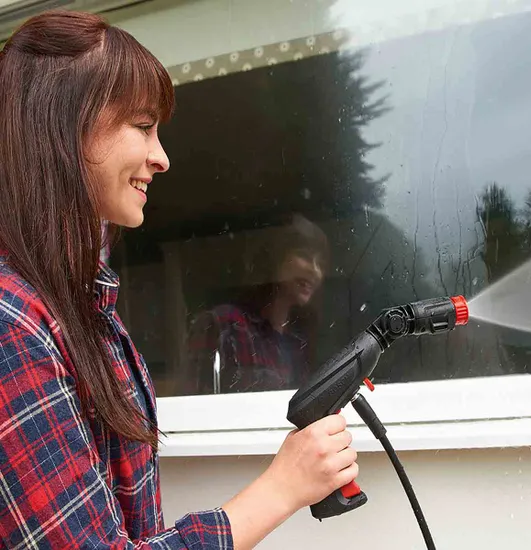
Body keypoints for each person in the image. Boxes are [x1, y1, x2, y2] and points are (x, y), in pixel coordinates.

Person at [0, 10, 358, 550]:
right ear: (62, 127)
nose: (162, 158)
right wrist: (283, 487)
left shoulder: (83, 308)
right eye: (143, 126)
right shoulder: (12, 323)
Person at [186, 214, 328, 394]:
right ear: (275, 257)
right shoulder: (223, 324)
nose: (315, 271)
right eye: (304, 256)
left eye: (320, 263)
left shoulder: (300, 341)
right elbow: (190, 403)